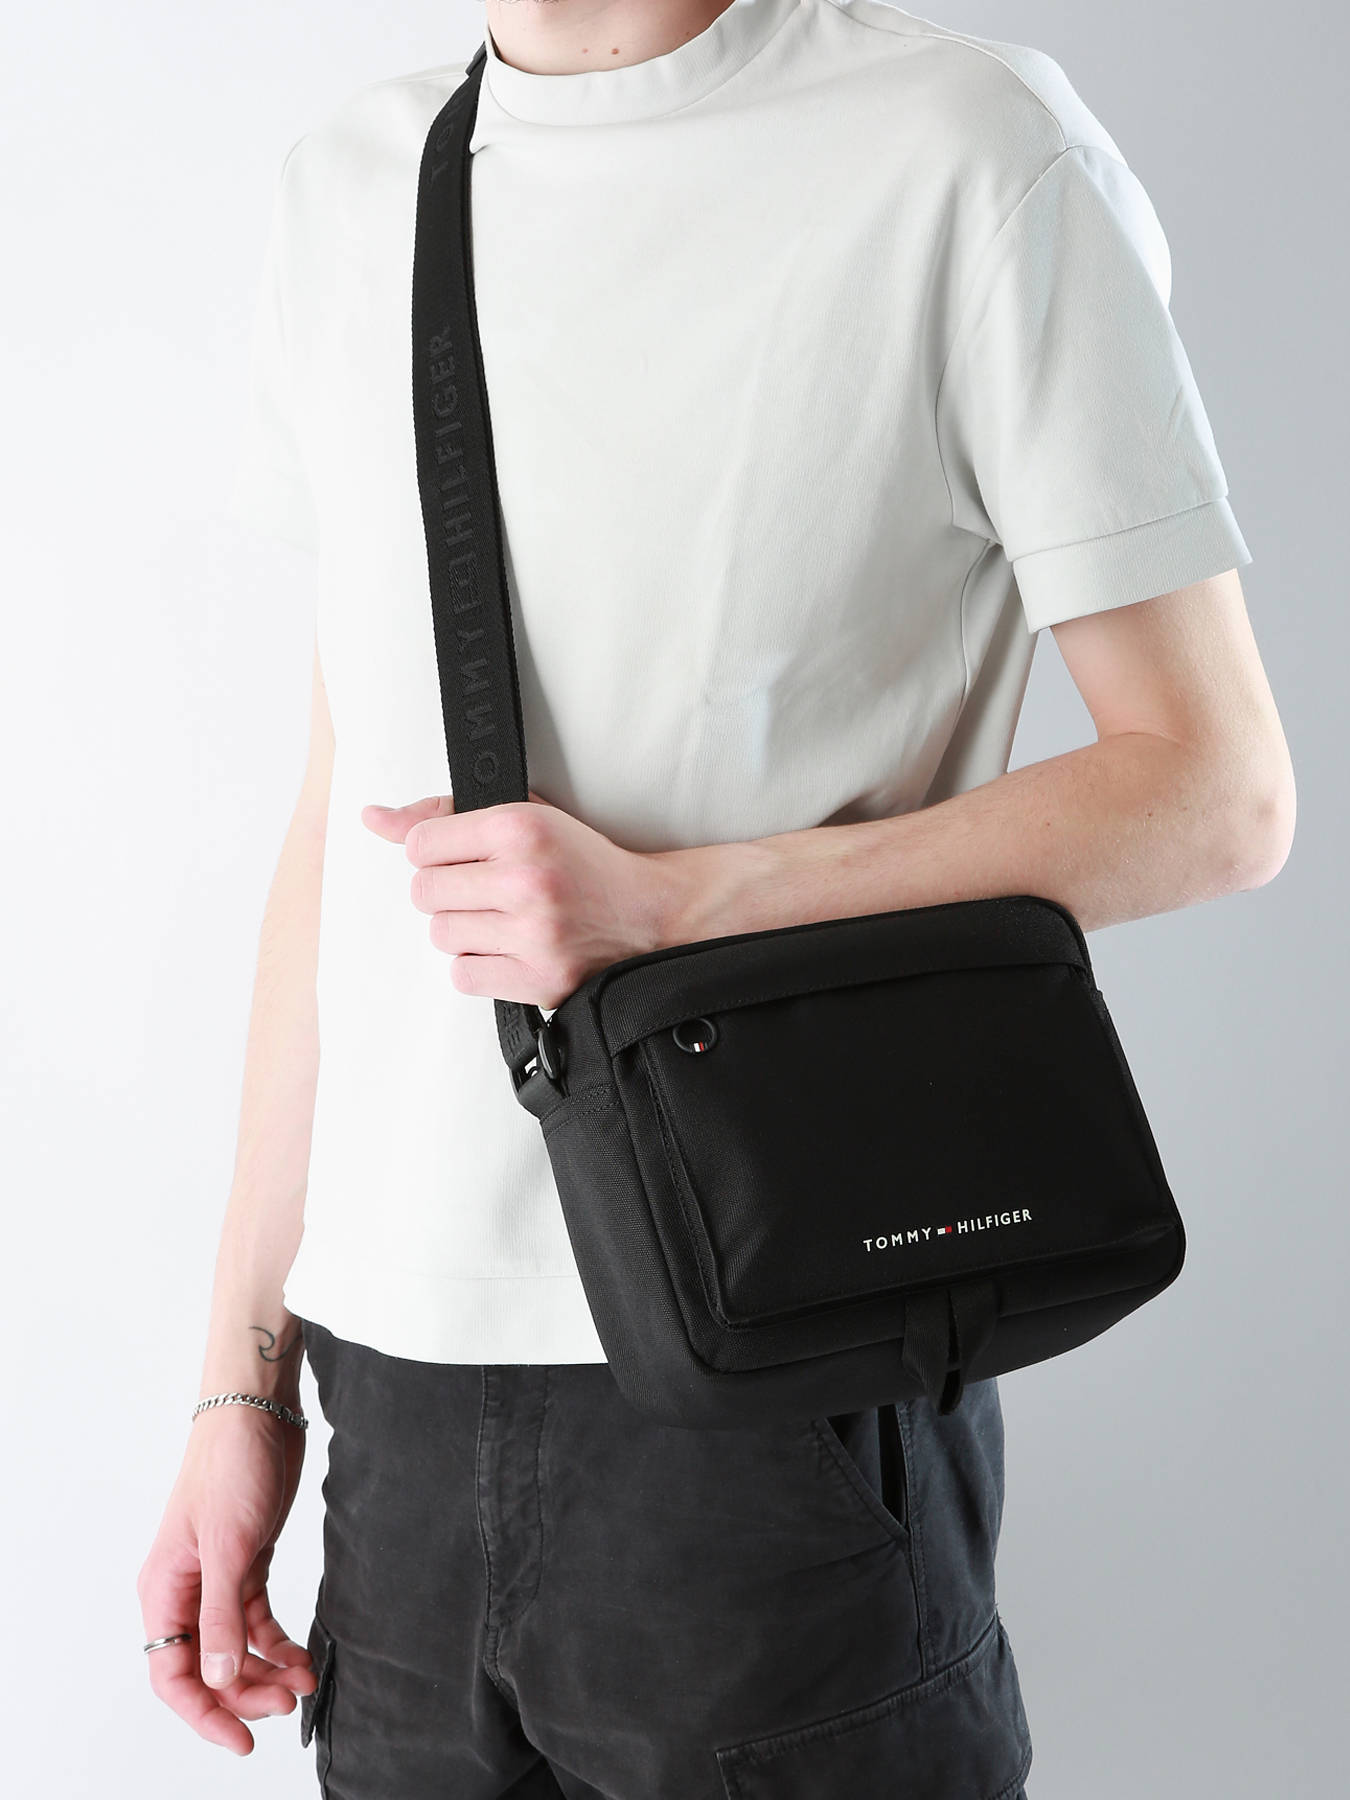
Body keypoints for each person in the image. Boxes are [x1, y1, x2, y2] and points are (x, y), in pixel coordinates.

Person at [137, 1, 1295, 1793]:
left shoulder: (956, 144)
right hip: (392, 1392)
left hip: (773, 1352)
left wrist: (680, 906)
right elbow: (339, 835)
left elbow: (1214, 794)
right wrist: (241, 1386)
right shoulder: (354, 180)